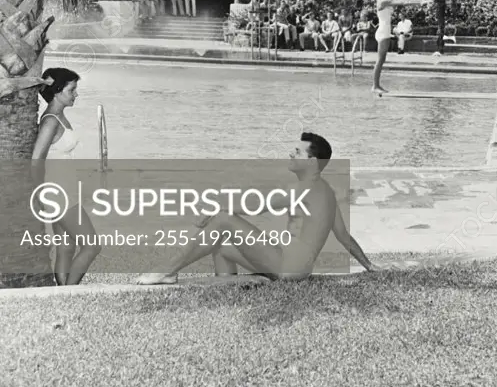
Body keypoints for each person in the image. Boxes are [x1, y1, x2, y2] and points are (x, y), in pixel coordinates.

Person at [137, 132, 375, 285]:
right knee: (220, 244)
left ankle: (166, 271)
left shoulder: (305, 189)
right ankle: (229, 285)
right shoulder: (326, 192)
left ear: (312, 162)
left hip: (288, 266)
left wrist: (218, 206)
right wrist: (370, 266)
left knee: (223, 221)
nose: (291, 153)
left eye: (298, 151)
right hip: (296, 267)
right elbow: (344, 237)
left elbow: (257, 206)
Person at [32, 68, 101, 285]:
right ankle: (70, 292)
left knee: (67, 246)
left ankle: (62, 293)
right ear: (57, 91)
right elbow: (36, 160)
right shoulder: (51, 121)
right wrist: (38, 196)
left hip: (64, 189)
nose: (75, 94)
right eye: (71, 89)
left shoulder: (58, 116)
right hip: (58, 193)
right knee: (92, 245)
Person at [371, 0, 429, 93]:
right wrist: (420, 2)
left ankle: (376, 85)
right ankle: (375, 86)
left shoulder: (384, 0)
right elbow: (403, 2)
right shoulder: (383, 1)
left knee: (382, 60)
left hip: (385, 31)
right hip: (383, 32)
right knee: (380, 60)